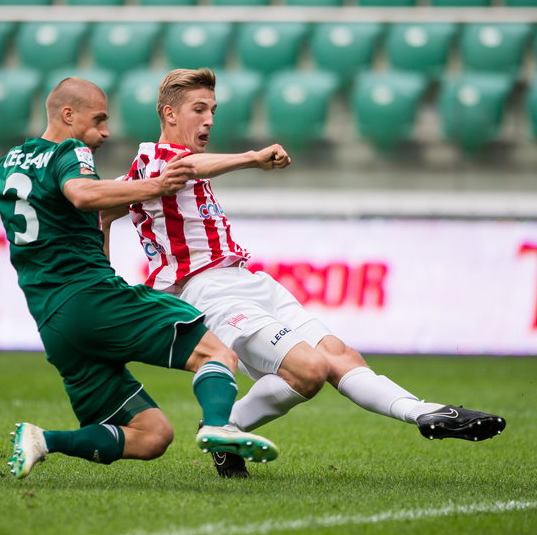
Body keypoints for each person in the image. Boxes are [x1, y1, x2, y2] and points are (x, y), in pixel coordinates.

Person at [106, 68, 505, 478]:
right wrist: (252, 158)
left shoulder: (160, 171)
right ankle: (223, 428)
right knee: (309, 369)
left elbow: (110, 206)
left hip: (248, 280)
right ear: (170, 114)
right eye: (199, 109)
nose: (209, 119)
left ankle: (426, 412)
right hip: (209, 293)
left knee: (339, 356)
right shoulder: (153, 159)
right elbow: (166, 178)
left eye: (213, 110)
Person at [0, 77, 278, 480]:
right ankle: (218, 426)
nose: (105, 132)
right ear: (68, 115)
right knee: (216, 353)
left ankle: (41, 440)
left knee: (151, 436)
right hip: (92, 298)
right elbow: (82, 194)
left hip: (53, 325)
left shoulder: (1, 167)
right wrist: (156, 184)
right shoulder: (69, 151)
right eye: (98, 121)